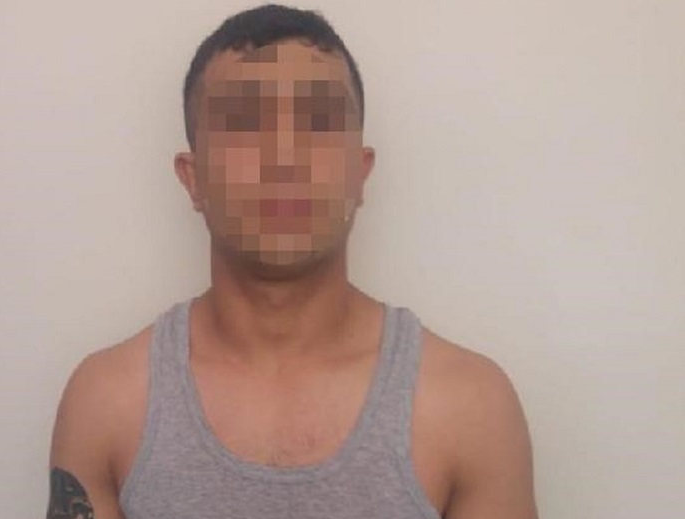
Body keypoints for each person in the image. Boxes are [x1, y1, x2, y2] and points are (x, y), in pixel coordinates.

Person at [46, 4, 539, 519]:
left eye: (319, 122)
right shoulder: (106, 404)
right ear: (193, 178)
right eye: (243, 123)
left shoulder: (469, 408)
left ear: (360, 173)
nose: (284, 156)